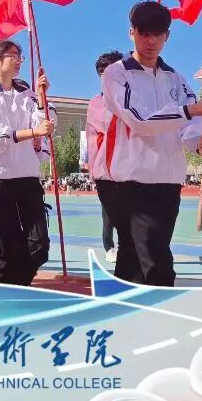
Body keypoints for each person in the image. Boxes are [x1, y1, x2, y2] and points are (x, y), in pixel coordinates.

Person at [101, 1, 202, 286]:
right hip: (133, 184)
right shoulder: (117, 74)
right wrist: (191, 110)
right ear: (132, 32)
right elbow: (139, 121)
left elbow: (190, 126)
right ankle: (158, 306)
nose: (151, 41)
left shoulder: (175, 79)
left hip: (168, 181)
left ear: (167, 35)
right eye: (144, 33)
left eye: (158, 34)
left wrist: (199, 144)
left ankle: (124, 305)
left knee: (133, 260)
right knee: (157, 265)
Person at [0, 40, 54, 285]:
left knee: (38, 244)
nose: (19, 60)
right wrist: (34, 132)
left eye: (20, 56)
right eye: (13, 56)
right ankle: (8, 290)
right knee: (2, 248)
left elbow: (44, 121)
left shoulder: (25, 91)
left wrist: (41, 98)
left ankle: (20, 284)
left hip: (27, 176)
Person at [86, 50, 124, 266]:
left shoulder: (133, 97)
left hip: (130, 168)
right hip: (105, 170)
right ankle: (109, 247)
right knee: (109, 214)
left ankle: (128, 250)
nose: (106, 77)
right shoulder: (96, 103)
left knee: (132, 215)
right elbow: (105, 127)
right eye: (102, 73)